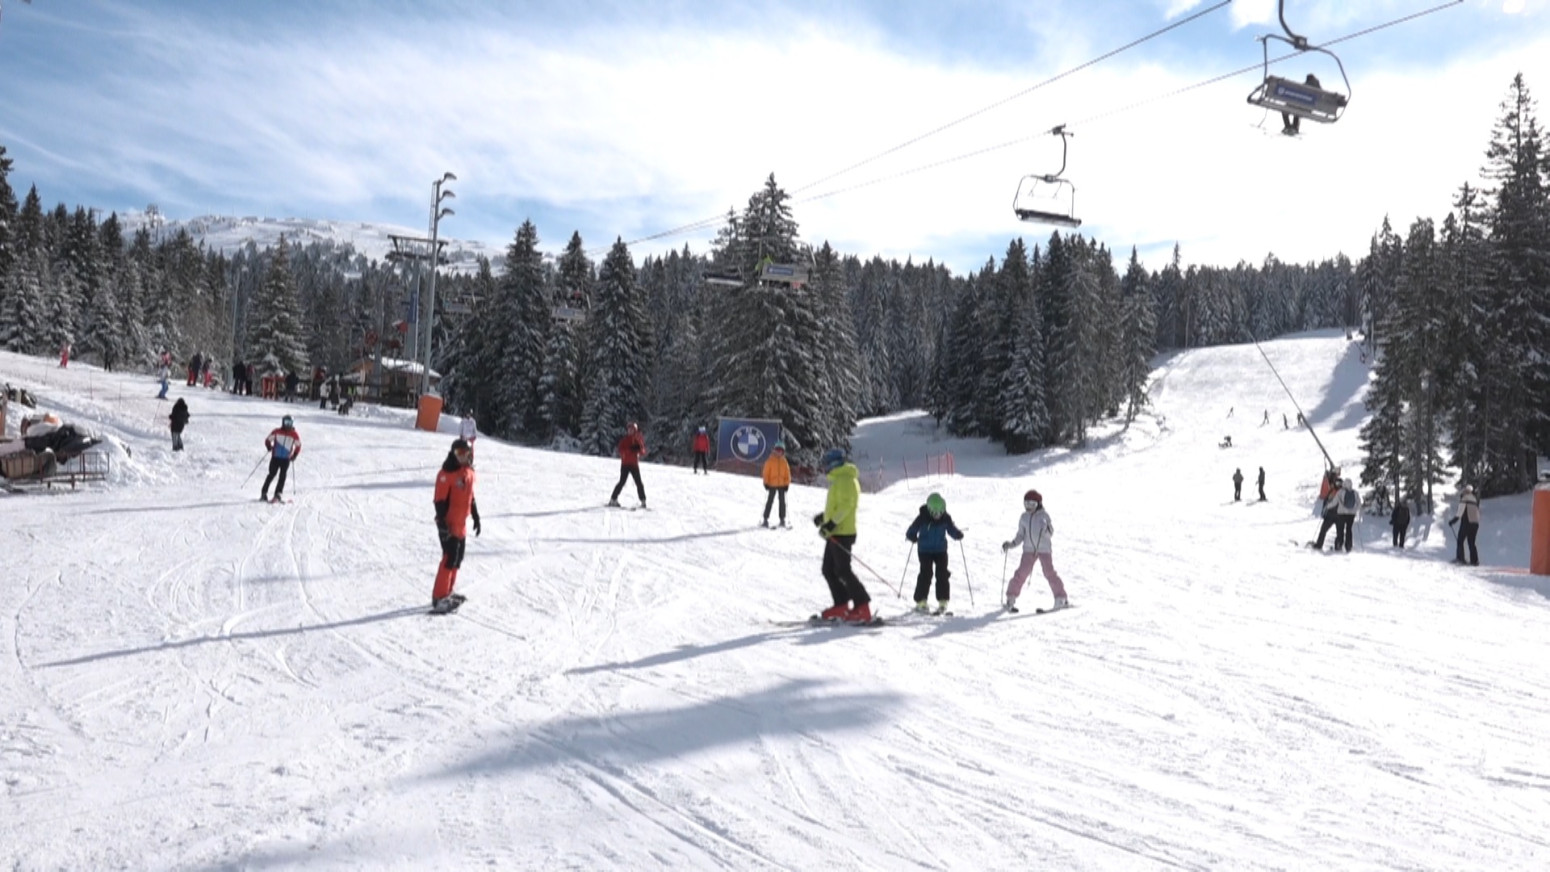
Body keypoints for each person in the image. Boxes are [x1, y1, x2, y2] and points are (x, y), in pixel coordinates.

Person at [813, 448, 870, 623]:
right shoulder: (840, 479)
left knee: (842, 570)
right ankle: (841, 605)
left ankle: (862, 607)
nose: (825, 468)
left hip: (842, 532)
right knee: (829, 570)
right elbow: (839, 505)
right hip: (836, 531)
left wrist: (830, 524)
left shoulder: (845, 479)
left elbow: (847, 506)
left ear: (833, 463)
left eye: (826, 464)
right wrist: (824, 517)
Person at [430, 438, 481, 613]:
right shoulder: (447, 474)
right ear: (453, 454)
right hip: (449, 522)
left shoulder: (468, 472)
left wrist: (475, 515)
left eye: (466, 454)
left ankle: (448, 591)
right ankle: (439, 596)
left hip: (461, 523)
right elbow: (439, 501)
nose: (463, 457)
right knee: (449, 557)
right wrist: (442, 524)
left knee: (457, 558)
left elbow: (470, 496)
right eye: (459, 454)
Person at [1002, 489, 1067, 613]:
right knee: (1021, 573)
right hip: (1029, 550)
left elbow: (1050, 533)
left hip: (1044, 550)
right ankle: (1011, 597)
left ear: (1038, 504)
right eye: (1026, 504)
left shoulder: (1044, 516)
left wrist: (1045, 529)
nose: (1029, 507)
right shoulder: (1024, 517)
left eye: (1032, 504)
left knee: (1049, 573)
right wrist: (1011, 544)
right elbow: (1020, 535)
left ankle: (1061, 597)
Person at [906, 492, 964, 615]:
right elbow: (912, 529)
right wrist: (911, 536)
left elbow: (951, 529)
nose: (938, 516)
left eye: (940, 512)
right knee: (926, 574)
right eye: (935, 513)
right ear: (930, 510)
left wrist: (957, 534)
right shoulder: (922, 517)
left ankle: (943, 600)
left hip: (940, 550)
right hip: (925, 551)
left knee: (942, 574)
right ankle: (921, 601)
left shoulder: (945, 517)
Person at [260, 415, 301, 503]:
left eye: (289, 423)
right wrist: (269, 447)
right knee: (271, 474)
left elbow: (298, 445)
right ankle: (264, 492)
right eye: (286, 422)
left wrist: (294, 455)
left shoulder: (294, 434)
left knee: (282, 476)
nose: (287, 425)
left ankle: (278, 493)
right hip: (275, 457)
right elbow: (268, 440)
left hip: (286, 459)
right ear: (283, 422)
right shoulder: (277, 431)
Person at [607, 421, 648, 508]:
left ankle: (643, 501)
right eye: (629, 430)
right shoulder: (624, 440)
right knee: (622, 482)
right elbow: (621, 451)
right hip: (625, 464)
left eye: (632, 430)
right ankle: (613, 499)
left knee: (639, 483)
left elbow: (643, 451)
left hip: (634, 465)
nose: (630, 431)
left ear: (635, 430)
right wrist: (630, 450)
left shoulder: (638, 440)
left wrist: (639, 449)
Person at [761, 441, 790, 527]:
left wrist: (786, 484)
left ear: (783, 452)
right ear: (774, 450)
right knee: (769, 501)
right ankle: (765, 519)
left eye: (781, 450)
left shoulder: (784, 462)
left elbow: (787, 473)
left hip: (781, 485)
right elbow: (765, 473)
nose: (779, 452)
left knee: (782, 502)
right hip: (772, 484)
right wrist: (766, 483)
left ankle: (782, 519)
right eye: (777, 450)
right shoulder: (770, 461)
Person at [1450, 484, 1481, 566]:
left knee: (1460, 540)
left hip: (1467, 522)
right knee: (1471, 542)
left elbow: (1459, 513)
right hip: (1475, 524)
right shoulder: (1474, 500)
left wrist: (1452, 521)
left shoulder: (1464, 499)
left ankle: (1460, 558)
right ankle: (1474, 560)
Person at [1311, 472, 1342, 550]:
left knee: (1323, 530)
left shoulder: (1332, 491)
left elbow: (1326, 502)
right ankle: (1338, 546)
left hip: (1330, 515)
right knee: (1340, 532)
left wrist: (1323, 513)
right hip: (1340, 516)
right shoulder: (1343, 492)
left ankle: (1319, 545)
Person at [1335, 478, 1359, 552]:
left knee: (1340, 529)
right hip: (1351, 515)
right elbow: (1358, 503)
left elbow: (1335, 501)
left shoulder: (1340, 492)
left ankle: (1339, 544)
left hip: (1342, 513)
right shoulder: (1355, 493)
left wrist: (1327, 507)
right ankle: (1348, 546)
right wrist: (1355, 511)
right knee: (1349, 530)